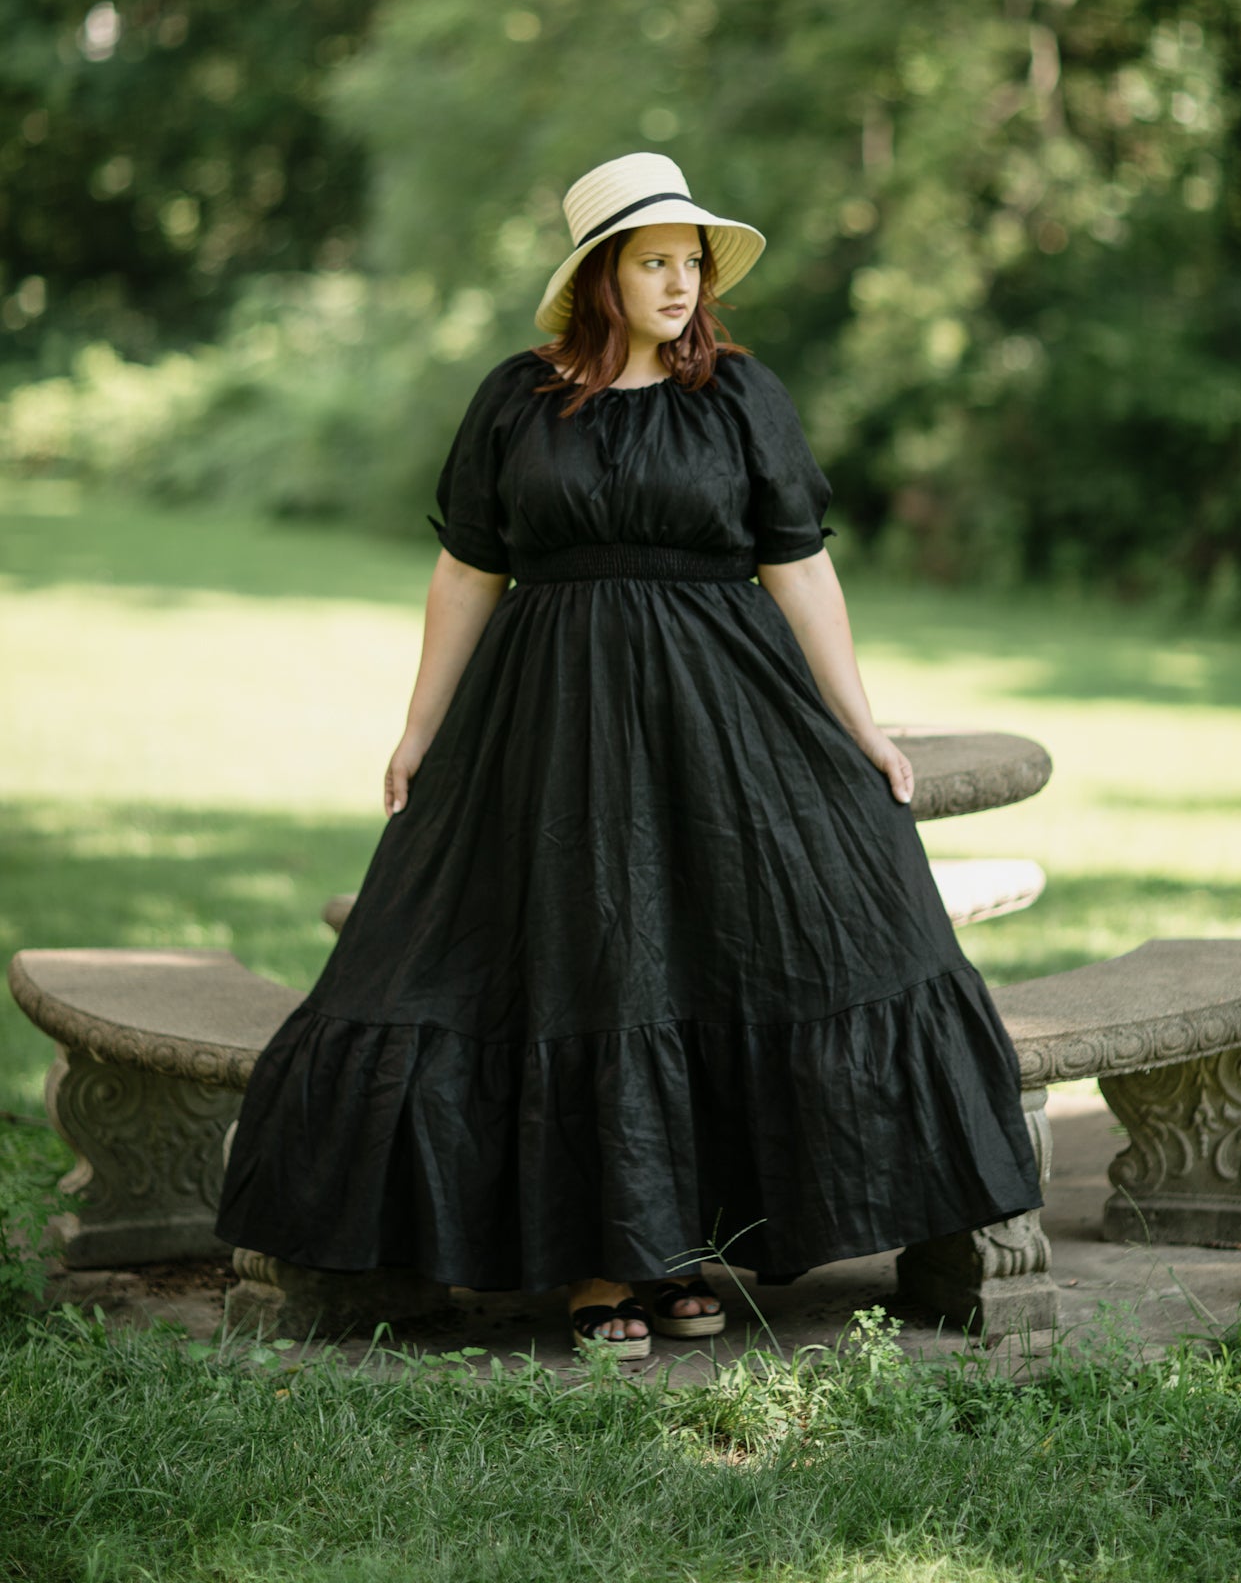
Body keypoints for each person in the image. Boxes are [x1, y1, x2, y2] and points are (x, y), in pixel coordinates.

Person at [215, 150, 1042, 1358]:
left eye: (691, 261)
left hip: (725, 712)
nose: (680, 281)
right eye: (655, 260)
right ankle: (599, 1266)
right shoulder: (516, 398)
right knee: (587, 960)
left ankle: (689, 1243)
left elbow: (798, 563)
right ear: (599, 275)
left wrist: (861, 721)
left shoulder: (740, 394)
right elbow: (466, 569)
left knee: (715, 951)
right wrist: (418, 727)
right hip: (547, 714)